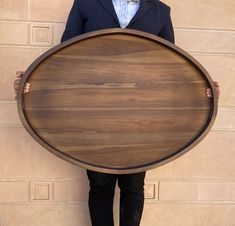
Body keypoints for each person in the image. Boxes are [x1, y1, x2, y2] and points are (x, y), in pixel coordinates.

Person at [14, 1, 220, 226]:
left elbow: (170, 69)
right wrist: (33, 82)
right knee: (99, 185)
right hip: (93, 116)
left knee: (133, 186)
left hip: (141, 120)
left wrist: (202, 91)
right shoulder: (86, 3)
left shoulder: (161, 11)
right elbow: (63, 60)